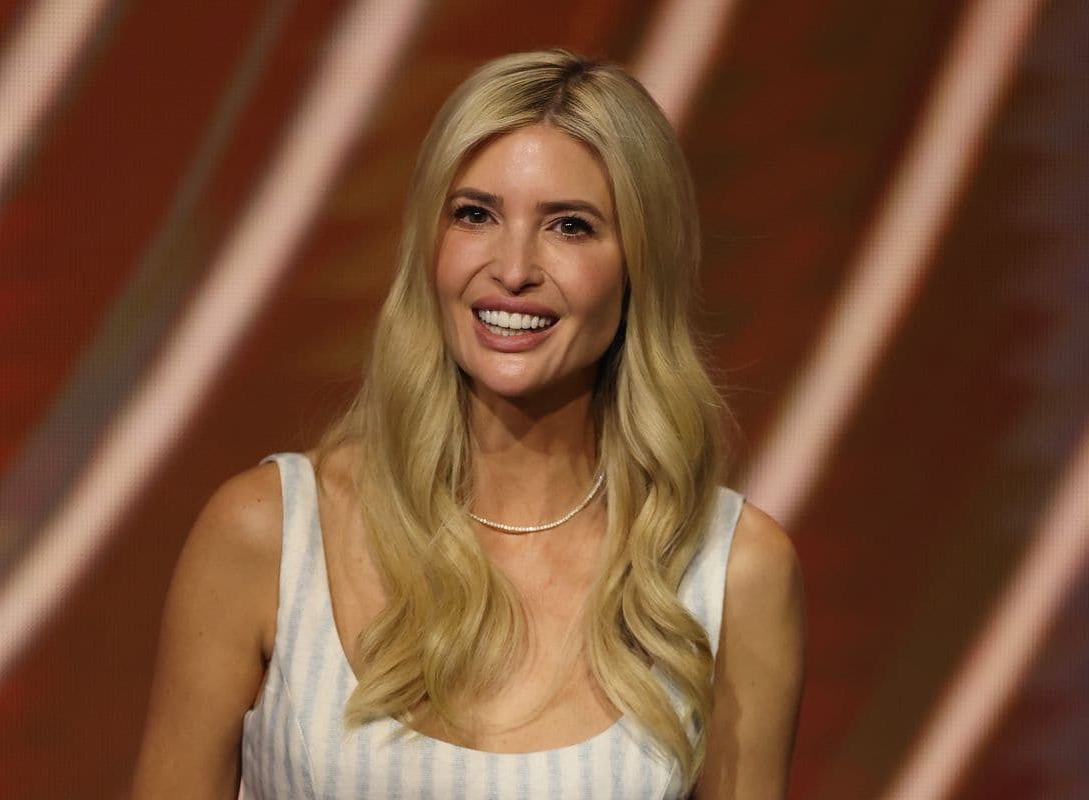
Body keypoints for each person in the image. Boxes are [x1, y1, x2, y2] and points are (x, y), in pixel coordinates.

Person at [131, 49, 805, 799]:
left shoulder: (733, 571)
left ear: (640, 266)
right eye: (476, 215)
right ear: (431, 243)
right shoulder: (269, 535)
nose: (513, 267)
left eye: (571, 227)